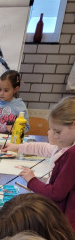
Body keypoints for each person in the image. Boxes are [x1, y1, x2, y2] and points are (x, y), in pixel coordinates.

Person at [19, 96, 75, 229]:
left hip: (66, 224)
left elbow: (56, 193)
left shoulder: (72, 154)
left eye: (58, 131)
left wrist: (33, 181)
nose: (55, 136)